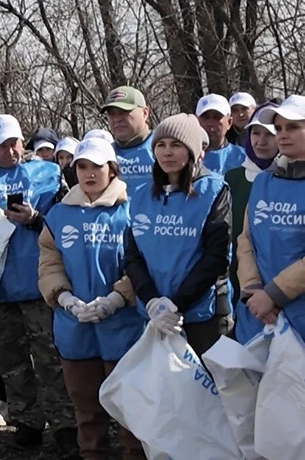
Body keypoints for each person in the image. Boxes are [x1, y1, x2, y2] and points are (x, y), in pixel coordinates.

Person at [0, 114, 75, 453]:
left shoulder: (49, 173)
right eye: (2, 145)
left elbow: (70, 221)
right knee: (11, 362)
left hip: (40, 285)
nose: (11, 151)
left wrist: (36, 219)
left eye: (15, 143)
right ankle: (26, 422)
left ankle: (65, 424)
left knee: (51, 359)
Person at [38, 138, 146, 460]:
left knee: (129, 406)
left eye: (96, 166)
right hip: (75, 327)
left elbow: (144, 263)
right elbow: (49, 263)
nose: (89, 173)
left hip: (123, 325)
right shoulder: (59, 214)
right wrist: (64, 297)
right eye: (82, 166)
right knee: (86, 408)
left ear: (112, 169)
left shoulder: (131, 211)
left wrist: (118, 298)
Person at [125, 114, 233, 355]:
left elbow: (216, 256)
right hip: (154, 315)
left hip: (202, 316)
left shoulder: (214, 190)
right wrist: (152, 301)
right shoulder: (141, 196)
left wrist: (177, 304)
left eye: (176, 145)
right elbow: (132, 256)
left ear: (192, 151)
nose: (167, 152)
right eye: (161, 145)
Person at [235, 95, 305, 342]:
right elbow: (246, 240)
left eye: (292, 127)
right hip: (259, 314)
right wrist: (253, 290)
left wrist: (274, 294)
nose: (282, 135)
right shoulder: (263, 181)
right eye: (279, 128)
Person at [224, 104, 278, 303]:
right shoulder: (233, 178)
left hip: (279, 278)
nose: (261, 141)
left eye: (270, 134)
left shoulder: (289, 180)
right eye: (256, 133)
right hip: (238, 274)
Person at [101, 86, 154, 194]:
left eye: (124, 112)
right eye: (111, 113)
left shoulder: (162, 147)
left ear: (145, 113)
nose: (117, 119)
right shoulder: (104, 155)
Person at [197, 94, 247, 175]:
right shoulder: (186, 158)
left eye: (217, 117)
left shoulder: (244, 158)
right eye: (205, 117)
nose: (210, 123)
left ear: (229, 122)